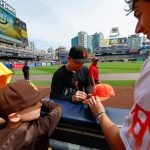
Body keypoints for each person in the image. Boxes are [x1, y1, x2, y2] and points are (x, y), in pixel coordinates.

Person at [84, 0, 150, 149]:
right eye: (137, 15)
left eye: (140, 15)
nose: (138, 28)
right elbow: (122, 145)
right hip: (94, 82)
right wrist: (95, 85)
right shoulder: (91, 68)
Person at [0, 80, 62, 150]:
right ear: (14, 117)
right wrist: (42, 101)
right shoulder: (37, 129)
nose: (40, 104)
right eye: (34, 103)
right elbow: (57, 109)